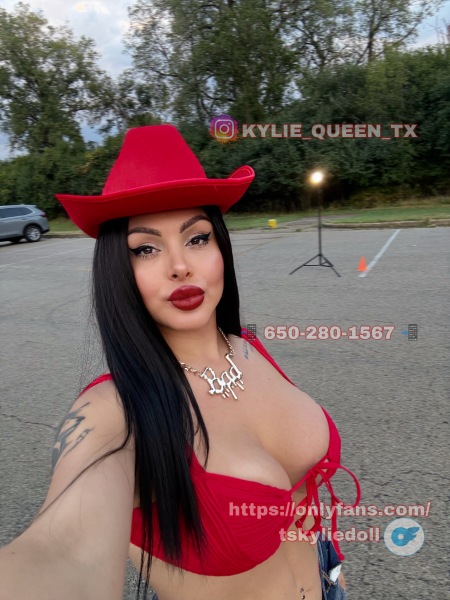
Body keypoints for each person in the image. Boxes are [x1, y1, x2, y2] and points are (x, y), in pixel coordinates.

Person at [0, 125, 360, 600]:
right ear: (116, 270)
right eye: (145, 248)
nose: (179, 265)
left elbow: (302, 499)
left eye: (197, 238)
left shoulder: (248, 347)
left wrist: (333, 571)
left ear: (220, 247)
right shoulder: (115, 410)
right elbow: (62, 551)